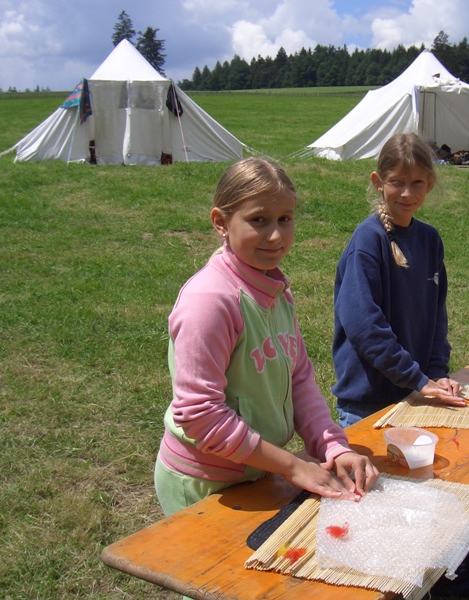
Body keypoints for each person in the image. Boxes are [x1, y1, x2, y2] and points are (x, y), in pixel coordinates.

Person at [155, 157, 378, 517]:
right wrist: (292, 466)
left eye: (285, 219)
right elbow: (201, 416)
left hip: (257, 469)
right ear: (220, 222)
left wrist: (334, 447)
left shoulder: (275, 289)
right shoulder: (210, 300)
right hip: (206, 483)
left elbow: (299, 378)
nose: (275, 235)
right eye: (258, 220)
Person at [332, 133, 467, 429]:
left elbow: (436, 317)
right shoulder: (368, 240)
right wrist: (417, 378)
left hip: (416, 392)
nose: (407, 193)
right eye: (396, 182)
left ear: (430, 183)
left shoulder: (430, 240)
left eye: (417, 182)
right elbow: (363, 325)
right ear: (378, 182)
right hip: (368, 403)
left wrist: (436, 373)